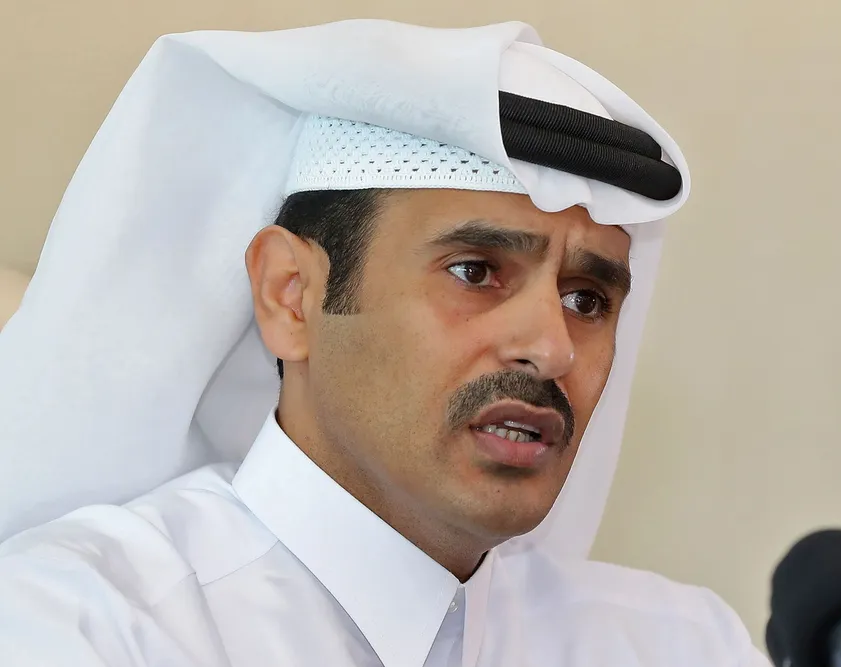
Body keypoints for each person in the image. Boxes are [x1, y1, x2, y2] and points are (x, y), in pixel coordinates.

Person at [0, 18, 769, 667]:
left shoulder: (682, 643)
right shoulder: (82, 626)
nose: (552, 347)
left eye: (586, 299)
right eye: (475, 271)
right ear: (290, 295)